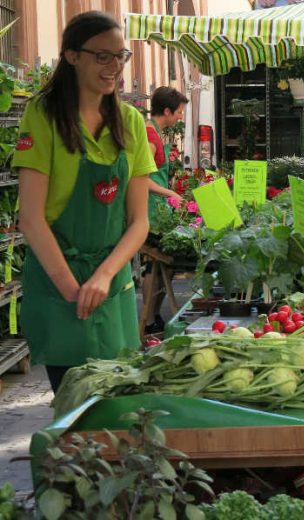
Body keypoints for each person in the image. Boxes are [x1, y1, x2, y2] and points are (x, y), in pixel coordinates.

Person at [13, 11, 155, 393]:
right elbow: (30, 218)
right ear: (72, 56)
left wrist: (105, 276)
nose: (114, 67)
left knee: (116, 409)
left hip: (112, 286)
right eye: (102, 56)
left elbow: (139, 220)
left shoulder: (131, 122)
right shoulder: (43, 116)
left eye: (120, 56)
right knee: (74, 406)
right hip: (60, 283)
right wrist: (72, 289)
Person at [142, 86, 188, 334]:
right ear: (167, 111)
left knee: (161, 266)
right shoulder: (150, 136)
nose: (180, 117)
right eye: (179, 112)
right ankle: (149, 320)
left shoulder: (156, 132)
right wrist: (170, 193)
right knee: (154, 264)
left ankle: (154, 316)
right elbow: (141, 179)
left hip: (158, 209)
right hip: (151, 211)